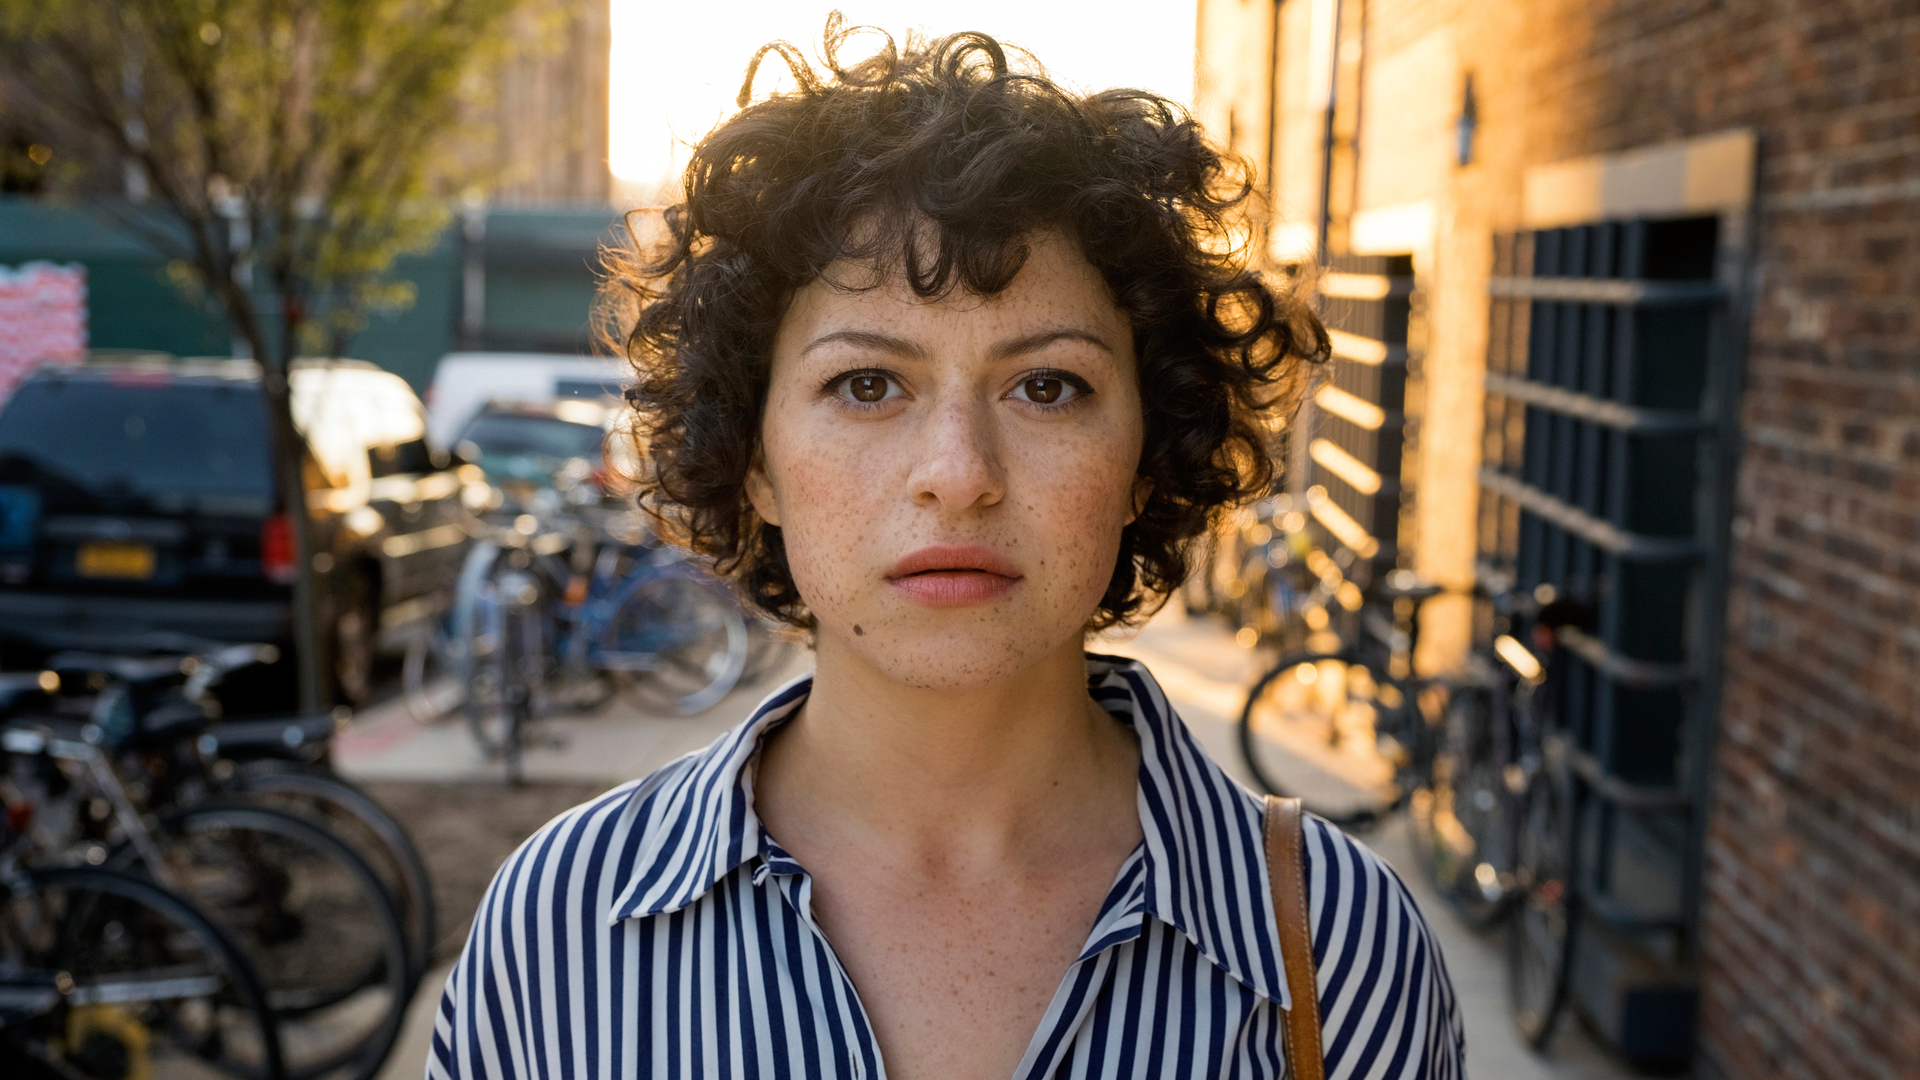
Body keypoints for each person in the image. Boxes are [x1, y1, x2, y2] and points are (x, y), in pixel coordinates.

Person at [429, 20, 1462, 1080]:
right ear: (752, 458)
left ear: (1150, 452)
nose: (959, 472)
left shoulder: (1338, 956)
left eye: (1048, 386)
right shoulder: (556, 938)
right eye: (867, 385)